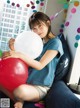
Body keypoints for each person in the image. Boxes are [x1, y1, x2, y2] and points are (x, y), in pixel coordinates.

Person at [2, 12, 64, 108]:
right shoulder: (37, 44)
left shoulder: (55, 42)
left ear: (48, 23)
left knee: (19, 91)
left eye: (40, 26)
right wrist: (13, 48)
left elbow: (40, 65)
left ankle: (19, 100)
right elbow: (24, 63)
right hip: (25, 81)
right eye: (34, 28)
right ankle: (18, 101)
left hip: (40, 87)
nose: (38, 30)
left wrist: (19, 54)